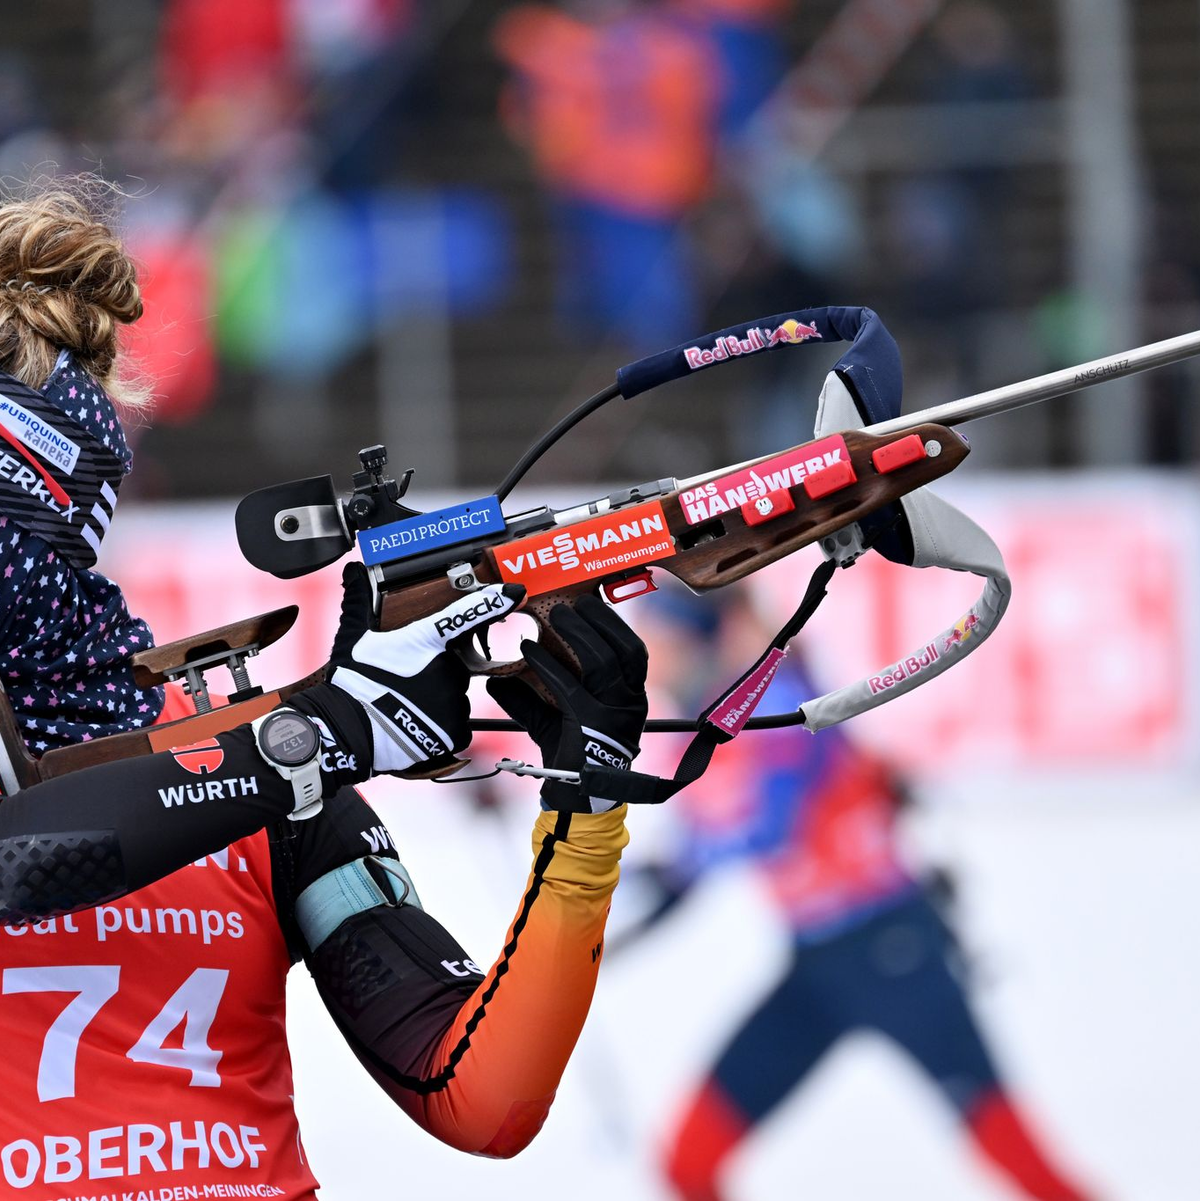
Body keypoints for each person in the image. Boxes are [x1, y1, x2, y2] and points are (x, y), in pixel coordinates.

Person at [0, 183, 649, 1195]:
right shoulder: (277, 755)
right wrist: (330, 726)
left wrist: (587, 801)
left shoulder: (255, 757)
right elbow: (25, 859)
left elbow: (480, 1094)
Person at [626, 592, 1099, 1201]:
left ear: (697, 640)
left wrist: (668, 869)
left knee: (1020, 1161)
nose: (644, 654)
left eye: (655, 634)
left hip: (893, 952)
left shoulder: (779, 703)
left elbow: (769, 827)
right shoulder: (692, 738)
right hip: (818, 968)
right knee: (689, 1161)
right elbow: (684, 873)